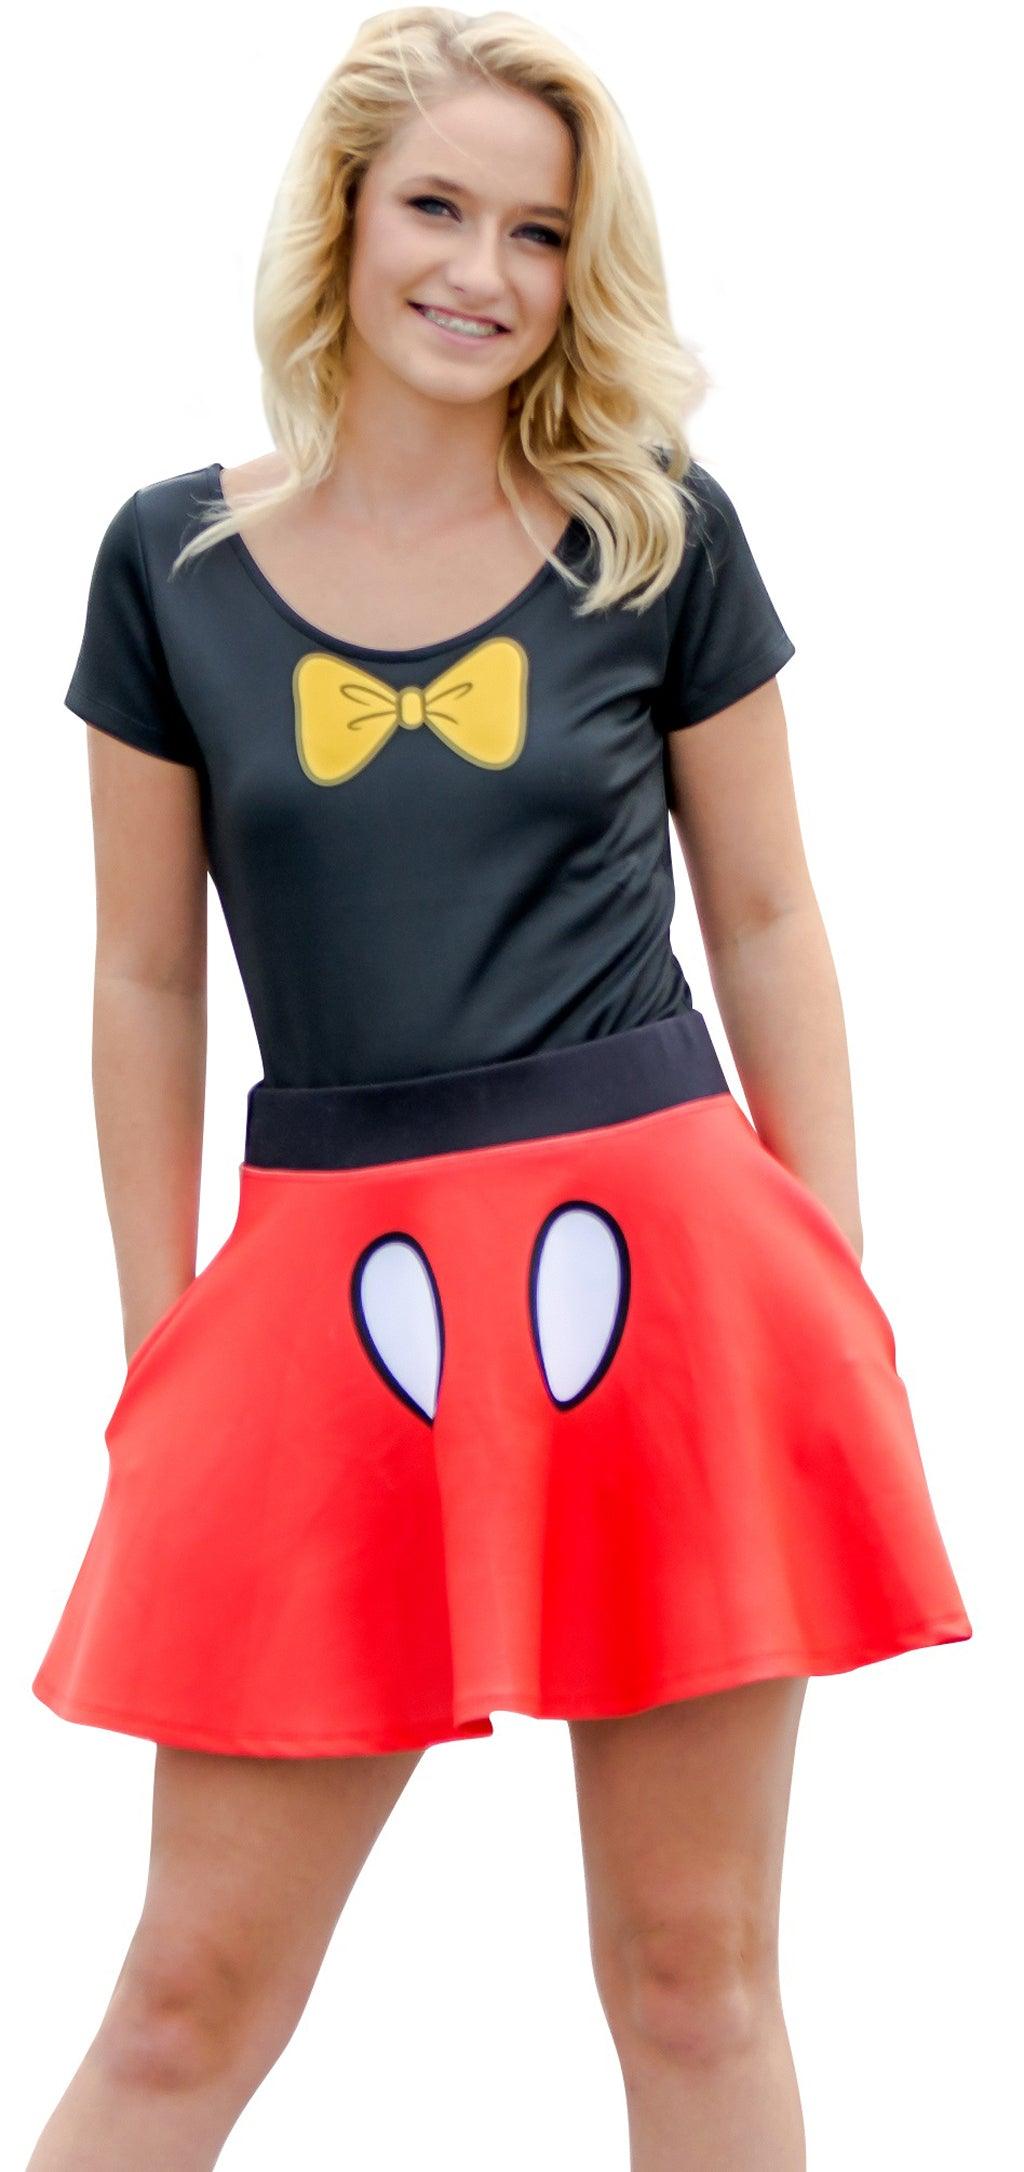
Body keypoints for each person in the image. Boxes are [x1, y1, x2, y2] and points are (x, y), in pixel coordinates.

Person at [28, 8, 973, 2167]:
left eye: (538, 232)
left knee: (690, 1968)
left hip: (672, 1280)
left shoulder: (656, 537)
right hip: (322, 1285)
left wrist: (829, 1282)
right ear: (341, 220)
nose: (481, 269)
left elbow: (767, 917)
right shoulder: (167, 566)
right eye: (436, 208)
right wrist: (159, 1340)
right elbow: (145, 974)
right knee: (183, 1999)